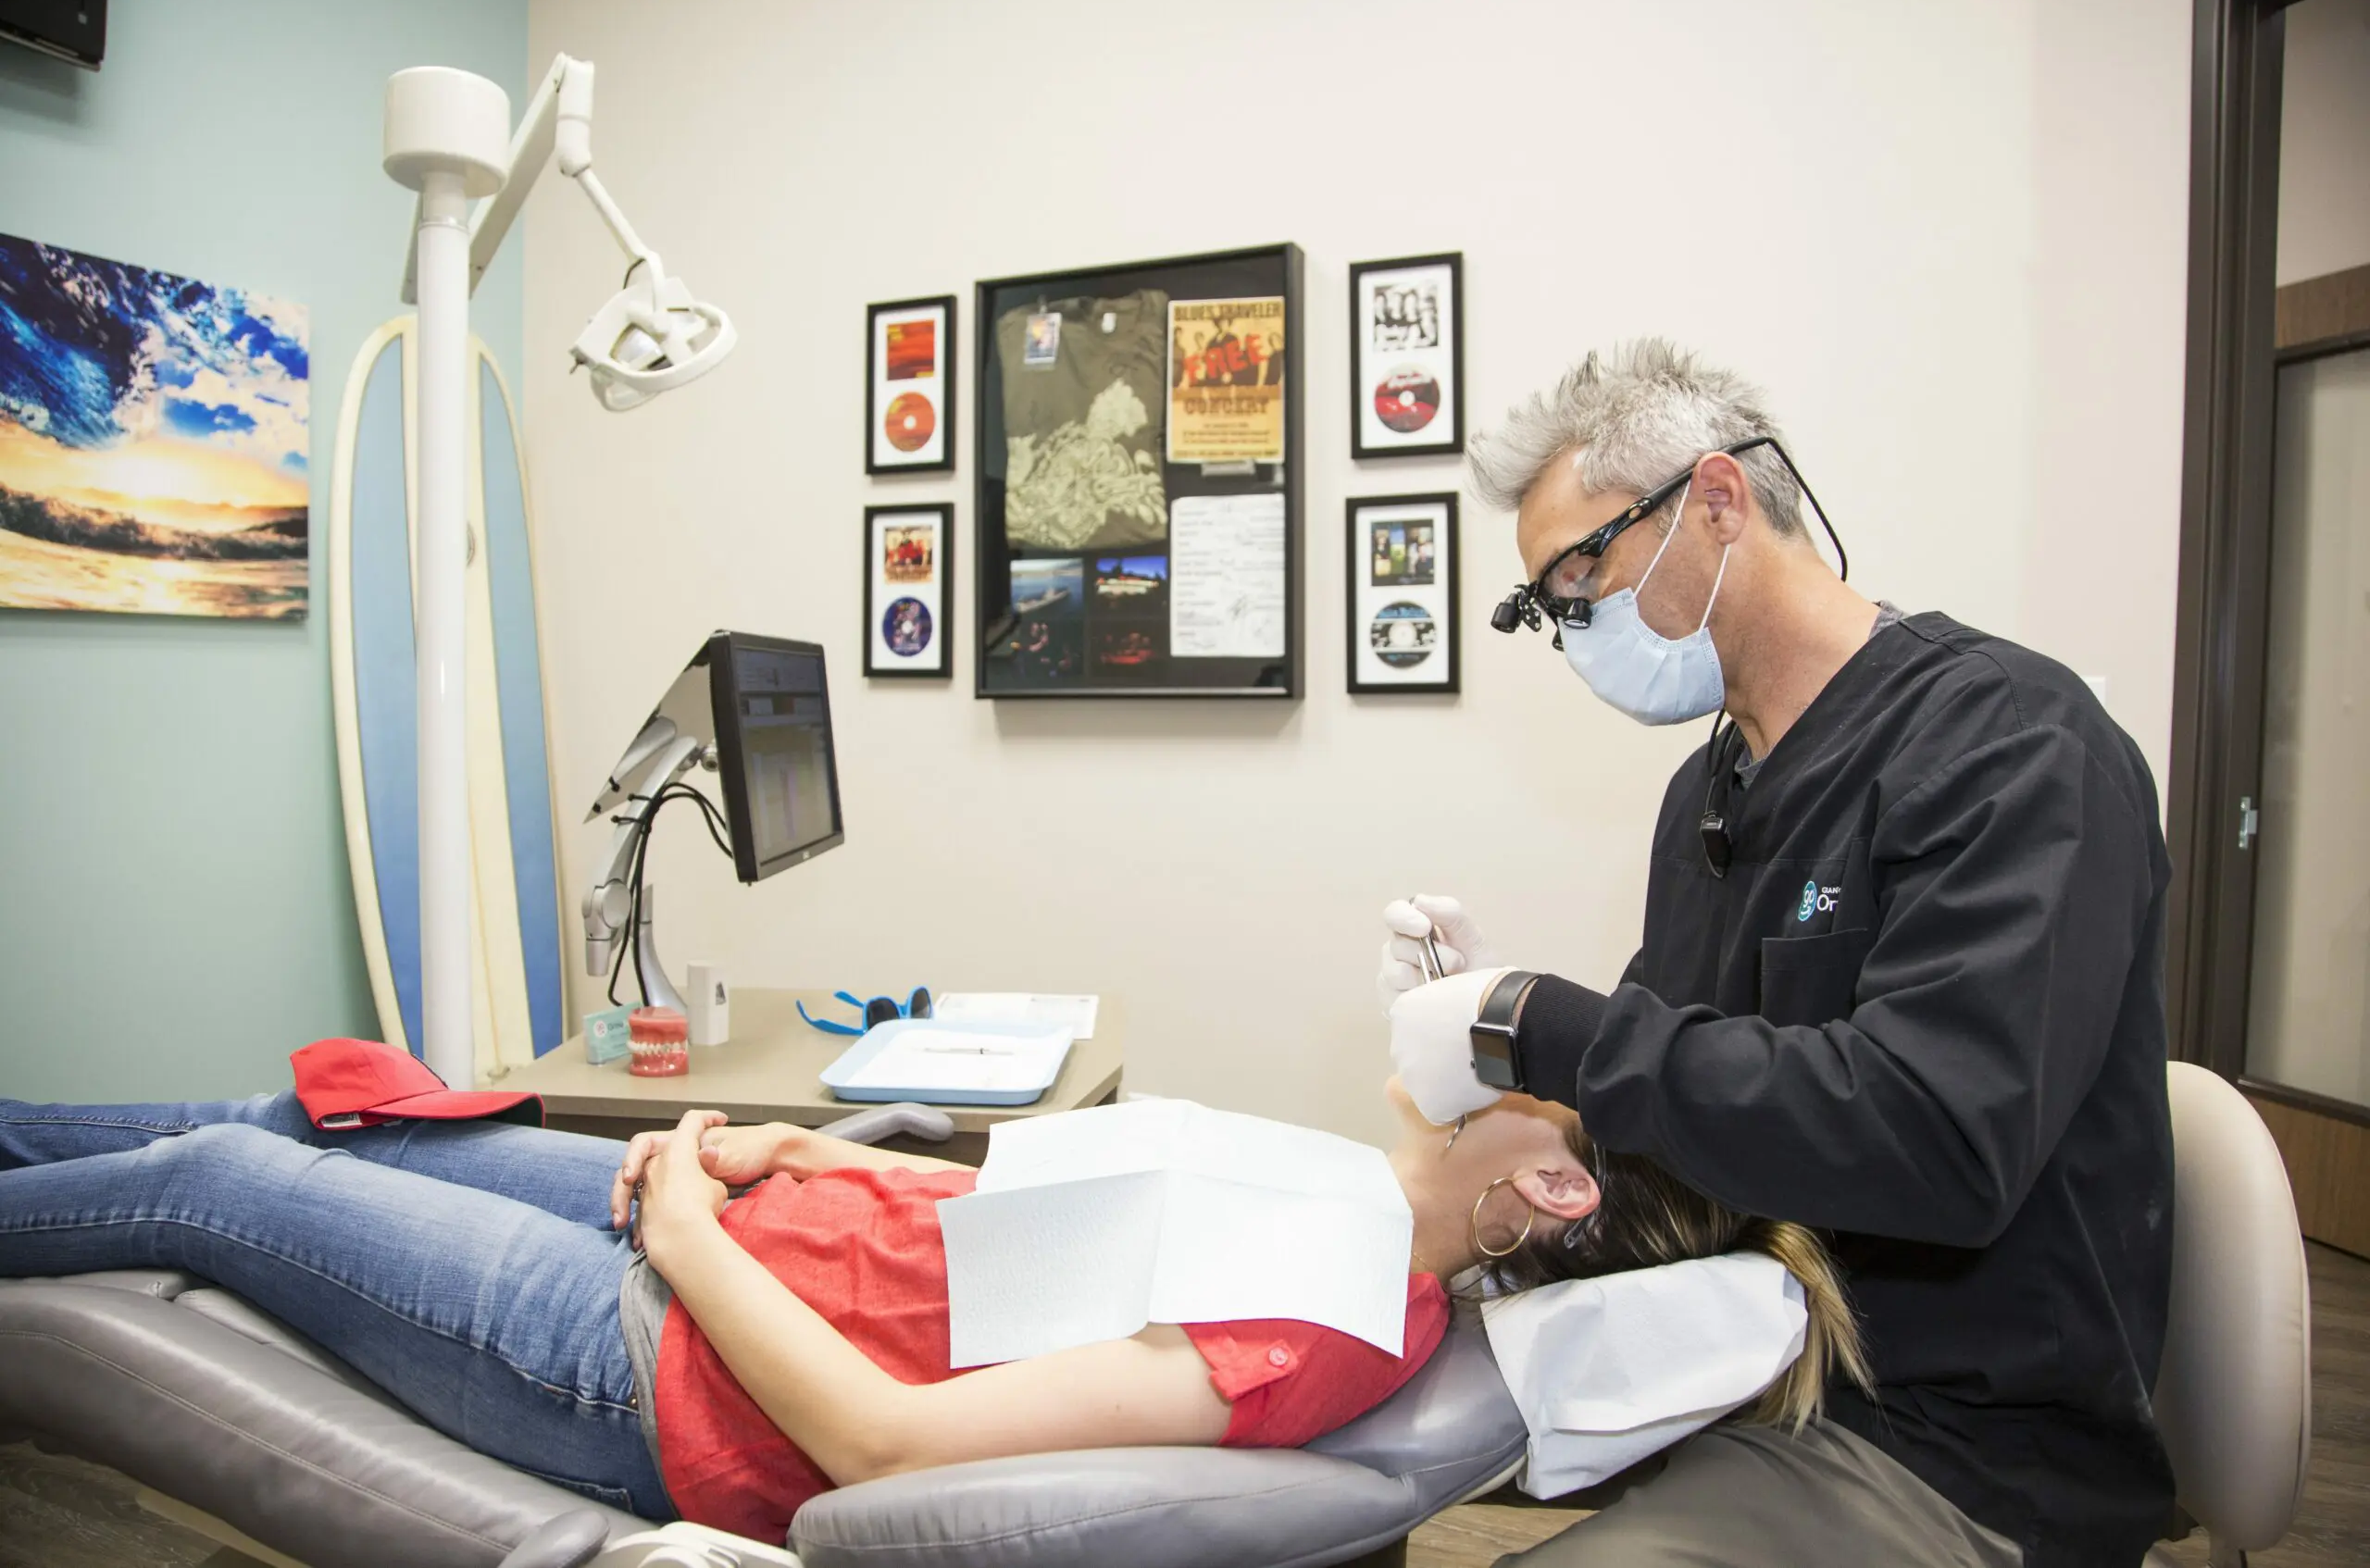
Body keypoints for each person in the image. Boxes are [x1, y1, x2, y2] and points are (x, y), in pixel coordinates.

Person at [1380, 339, 2174, 1568]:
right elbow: (1684, 1132)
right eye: (1548, 605)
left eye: (1580, 572)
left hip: (1947, 1449)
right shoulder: (1713, 793)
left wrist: (1547, 1023)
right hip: (1731, 1368)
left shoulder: (2012, 747)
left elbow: (1940, 1138)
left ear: (1714, 500)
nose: (1571, 625)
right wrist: (1518, 1097)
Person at [0, 1070, 1864, 1545]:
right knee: (317, 1113)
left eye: (1546, 1085)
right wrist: (782, 1161)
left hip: (658, 1362)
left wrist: (694, 1241)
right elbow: (1002, 1211)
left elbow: (877, 1446)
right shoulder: (1341, 1207)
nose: (1504, 1069)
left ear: (1549, 1184)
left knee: (239, 1199)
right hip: (723, 1246)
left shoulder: (1328, 1324)